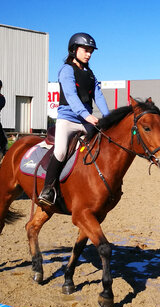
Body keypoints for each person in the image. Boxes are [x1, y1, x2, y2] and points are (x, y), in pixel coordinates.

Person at [38, 32, 110, 206]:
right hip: (68, 120)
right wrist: (86, 115)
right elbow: (70, 95)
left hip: (87, 121)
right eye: (85, 50)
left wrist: (108, 118)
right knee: (61, 151)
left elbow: (98, 96)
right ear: (74, 50)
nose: (89, 54)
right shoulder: (66, 70)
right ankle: (47, 189)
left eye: (91, 51)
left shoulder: (90, 74)